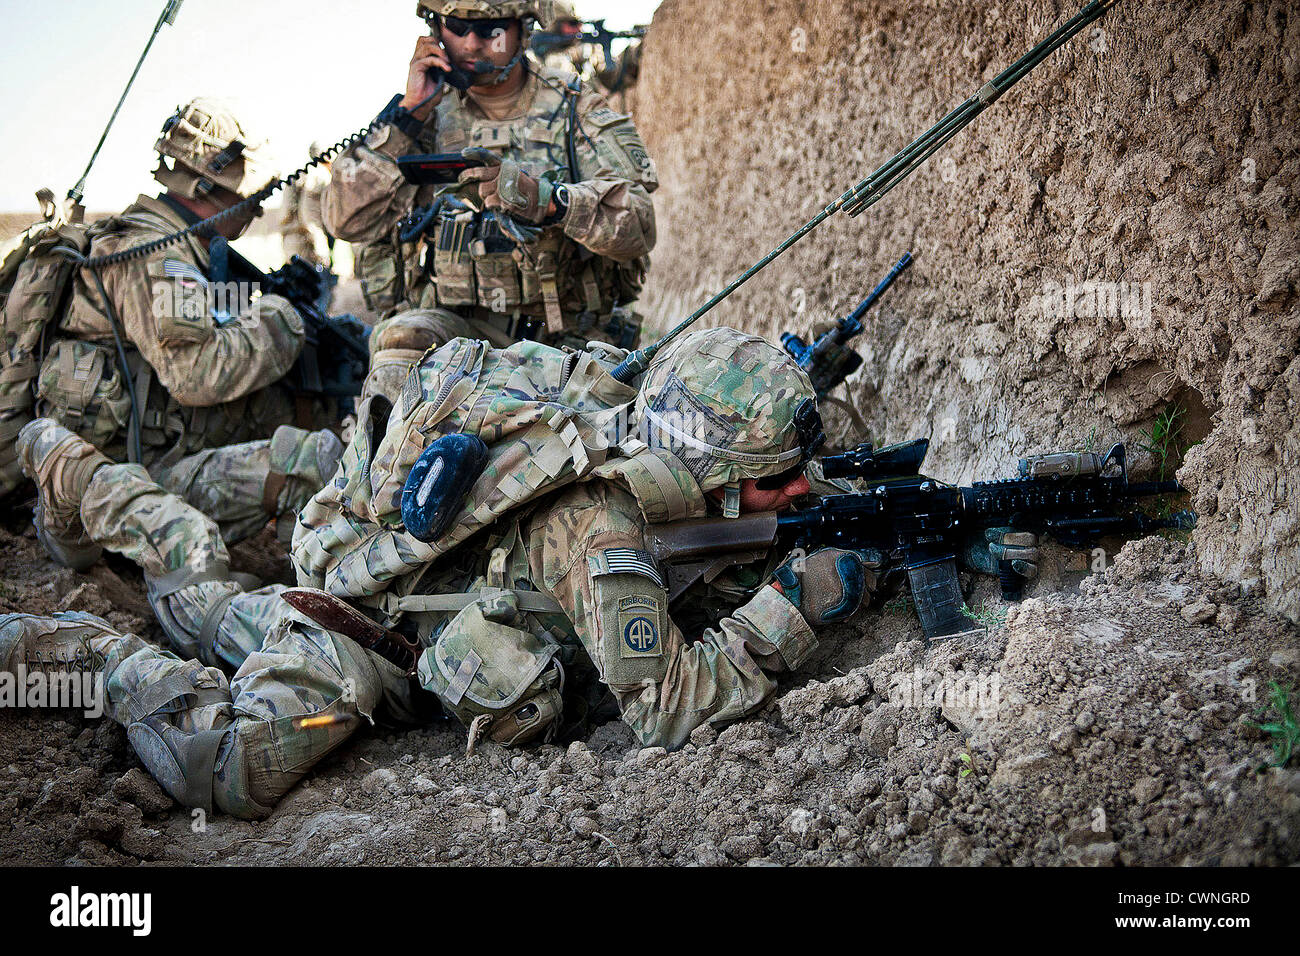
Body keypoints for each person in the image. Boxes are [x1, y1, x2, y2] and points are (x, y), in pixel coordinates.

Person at [3, 328, 1038, 819]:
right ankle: (76, 607)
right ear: (714, 467)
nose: (797, 493)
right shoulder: (604, 526)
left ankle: (109, 506)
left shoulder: (659, 450)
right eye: (774, 484)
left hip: (383, 607)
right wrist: (798, 606)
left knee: (201, 587)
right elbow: (668, 709)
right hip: (348, 639)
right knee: (216, 751)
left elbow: (729, 546)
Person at [21, 98, 342, 573]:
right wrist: (282, 317)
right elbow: (197, 374)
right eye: (249, 193)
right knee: (312, 461)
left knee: (306, 408)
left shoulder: (172, 241)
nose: (259, 207)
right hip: (127, 482)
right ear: (206, 184)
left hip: (146, 447)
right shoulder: (158, 256)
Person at [324, 0, 658, 405]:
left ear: (522, 30)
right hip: (449, 334)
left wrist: (549, 201)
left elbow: (638, 222)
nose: (470, 43)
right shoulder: (420, 116)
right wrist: (408, 116)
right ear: (434, 29)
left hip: (564, 340)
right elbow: (344, 221)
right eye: (456, 26)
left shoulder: (574, 107)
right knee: (400, 348)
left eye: (490, 30)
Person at [279, 141, 335, 269]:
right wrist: (321, 249)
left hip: (291, 239)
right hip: (309, 244)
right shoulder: (320, 175)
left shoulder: (301, 172)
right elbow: (310, 215)